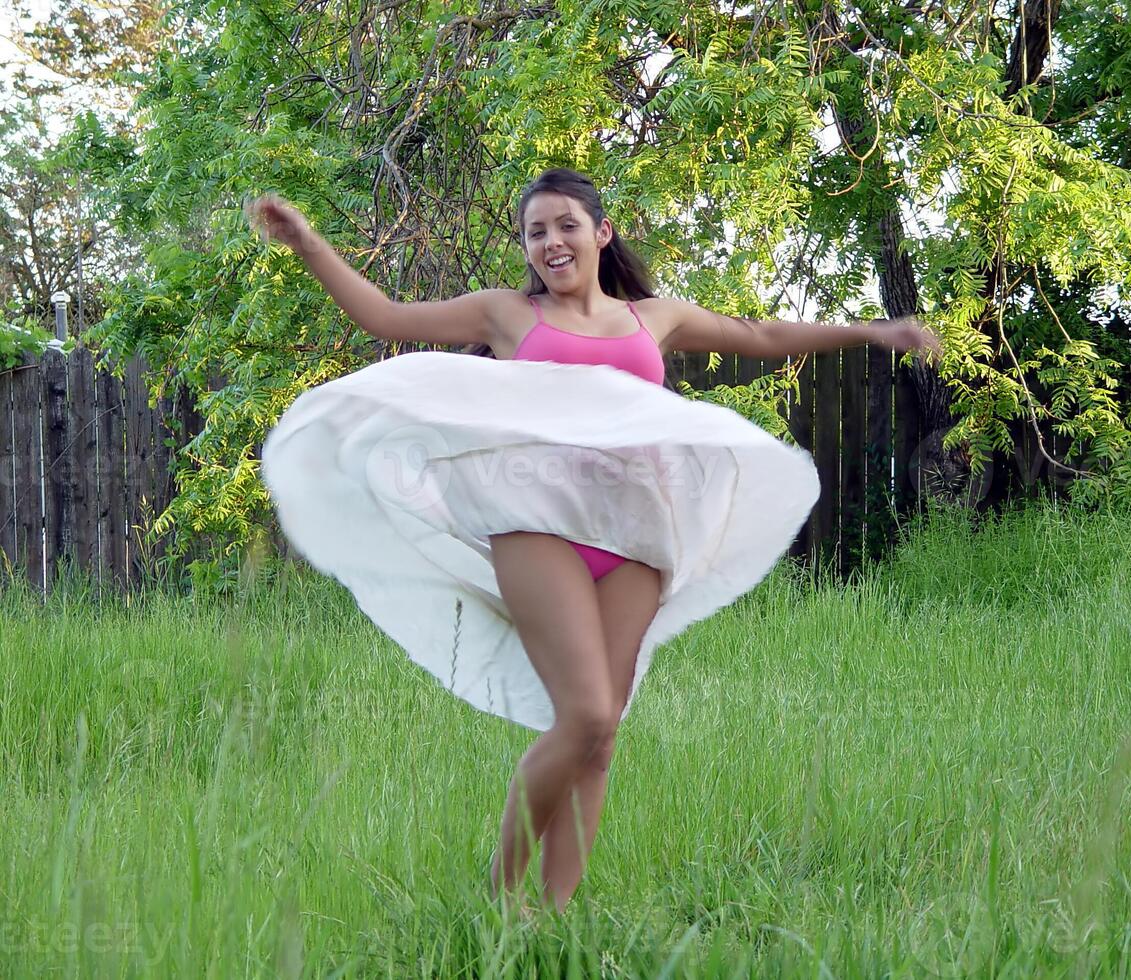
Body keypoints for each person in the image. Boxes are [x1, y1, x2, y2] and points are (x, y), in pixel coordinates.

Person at [245, 167, 939, 920]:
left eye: (565, 225)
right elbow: (384, 318)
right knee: (583, 717)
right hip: (535, 521)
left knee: (601, 736)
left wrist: (871, 331)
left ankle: (556, 918)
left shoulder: (654, 318)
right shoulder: (506, 314)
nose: (550, 242)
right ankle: (499, 904)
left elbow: (762, 336)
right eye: (535, 231)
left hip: (636, 531)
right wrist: (309, 244)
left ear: (601, 233)